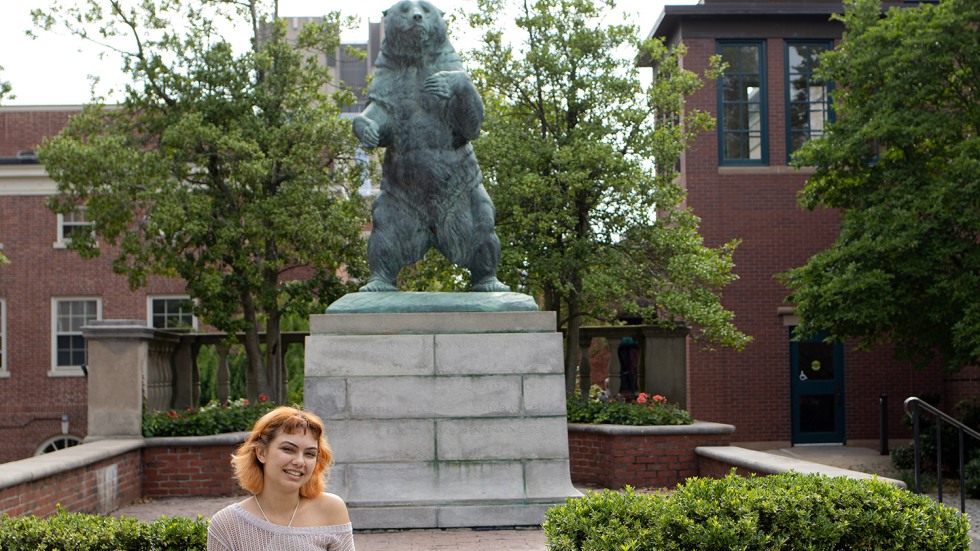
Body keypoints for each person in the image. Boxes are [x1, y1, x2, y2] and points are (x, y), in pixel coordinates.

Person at [207, 406, 354, 550]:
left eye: (309, 454)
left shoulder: (331, 510)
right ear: (261, 452)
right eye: (288, 449)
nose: (299, 461)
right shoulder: (226, 524)